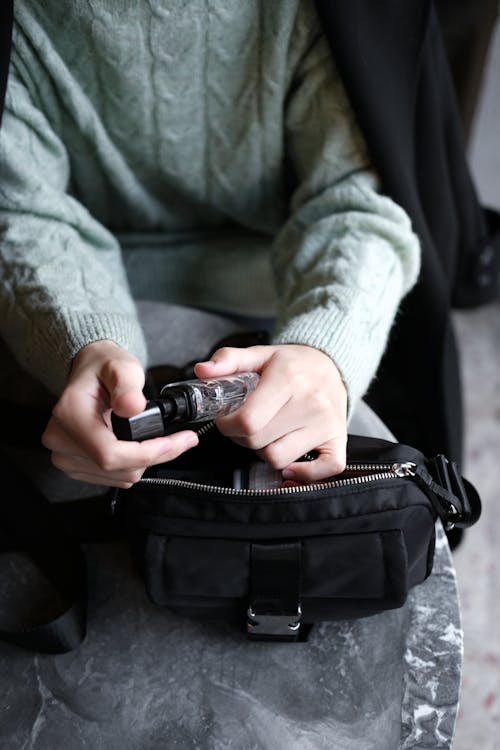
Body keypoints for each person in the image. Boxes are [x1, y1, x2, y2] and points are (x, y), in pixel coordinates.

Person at [0, 0, 419, 489]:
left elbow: (353, 200)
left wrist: (325, 350)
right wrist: (84, 340)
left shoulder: (311, 14)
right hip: (63, 298)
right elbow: (18, 210)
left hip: (285, 295)